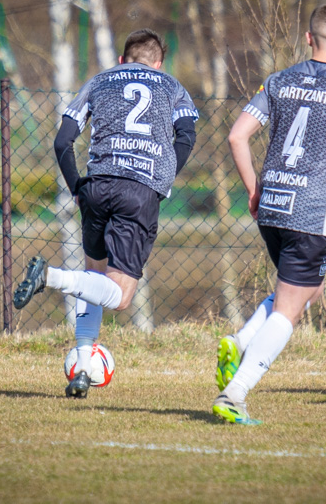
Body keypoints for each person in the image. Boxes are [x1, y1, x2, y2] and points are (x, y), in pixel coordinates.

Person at [213, 4, 326, 425]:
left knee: (306, 291)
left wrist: (254, 189)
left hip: (272, 205)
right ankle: (235, 393)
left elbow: (237, 136)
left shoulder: (278, 81)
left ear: (308, 39)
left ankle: (240, 340)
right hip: (310, 214)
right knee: (291, 308)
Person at [12, 29, 198, 398]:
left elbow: (63, 140)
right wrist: (161, 179)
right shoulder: (172, 85)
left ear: (122, 60)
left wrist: (77, 187)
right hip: (138, 190)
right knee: (120, 296)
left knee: (93, 276)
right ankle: (48, 276)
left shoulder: (99, 82)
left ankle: (82, 369)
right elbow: (186, 135)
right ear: (158, 64)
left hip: (97, 185)